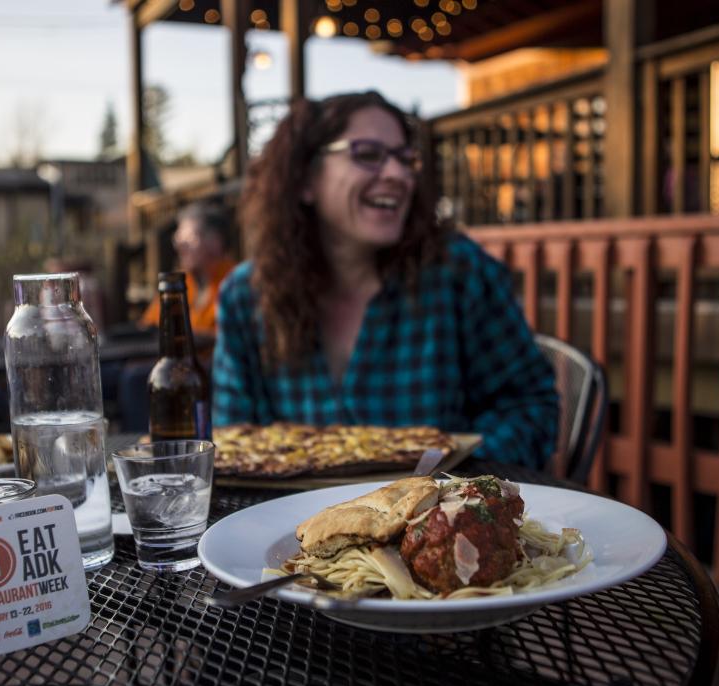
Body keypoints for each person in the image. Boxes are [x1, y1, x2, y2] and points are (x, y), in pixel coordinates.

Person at [212, 91, 559, 468]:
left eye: (405, 159)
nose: (398, 174)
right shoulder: (246, 296)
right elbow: (235, 441)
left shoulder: (459, 273)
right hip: (288, 524)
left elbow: (529, 406)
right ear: (305, 180)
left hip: (436, 518)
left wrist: (454, 479)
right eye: (368, 154)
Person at [140, 201, 237, 336]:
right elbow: (148, 327)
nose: (180, 247)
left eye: (190, 238)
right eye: (178, 239)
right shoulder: (178, 284)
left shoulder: (235, 284)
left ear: (215, 241)